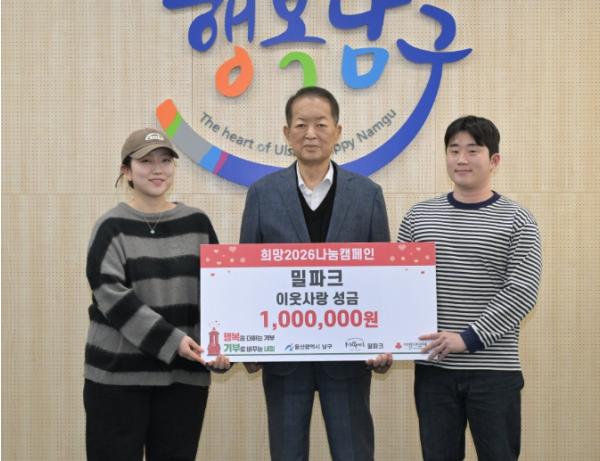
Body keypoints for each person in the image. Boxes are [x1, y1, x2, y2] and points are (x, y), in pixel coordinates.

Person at [240, 86, 393, 461]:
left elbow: (384, 278)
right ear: (286, 132)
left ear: (338, 131)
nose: (311, 133)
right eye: (301, 124)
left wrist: (386, 339)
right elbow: (246, 276)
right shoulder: (262, 194)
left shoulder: (368, 194)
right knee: (287, 453)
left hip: (350, 357)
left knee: (353, 453)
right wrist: (246, 343)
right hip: (283, 359)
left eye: (321, 124)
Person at [398, 116, 542, 461]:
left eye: (473, 151)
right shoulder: (418, 217)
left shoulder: (518, 220)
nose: (461, 159)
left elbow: (521, 291)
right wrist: (388, 342)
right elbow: (399, 290)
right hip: (434, 371)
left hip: (495, 372)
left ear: (494, 160)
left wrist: (467, 338)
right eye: (454, 150)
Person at [83, 128, 230, 461]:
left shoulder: (197, 223)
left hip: (183, 379)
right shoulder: (111, 227)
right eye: (146, 162)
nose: (157, 169)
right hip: (117, 378)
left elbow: (219, 291)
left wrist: (222, 347)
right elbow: (111, 295)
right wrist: (174, 341)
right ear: (126, 170)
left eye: (165, 161)